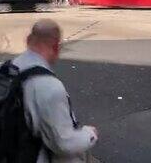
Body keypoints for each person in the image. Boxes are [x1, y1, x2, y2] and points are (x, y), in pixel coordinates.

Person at [11, 20, 98, 162]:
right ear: (56, 47)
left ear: (28, 41)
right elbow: (63, 144)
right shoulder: (49, 86)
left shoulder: (3, 68)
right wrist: (89, 134)